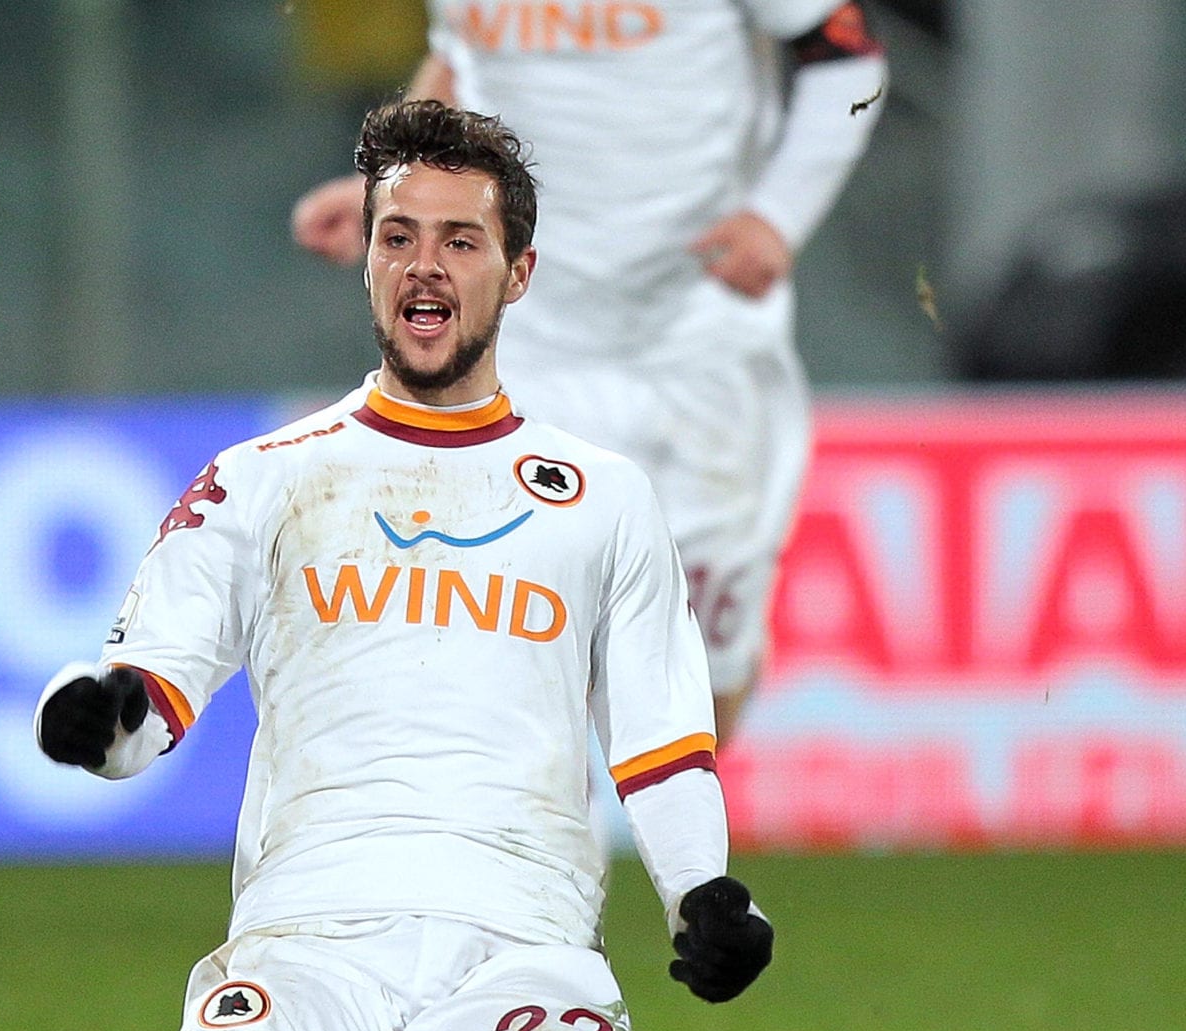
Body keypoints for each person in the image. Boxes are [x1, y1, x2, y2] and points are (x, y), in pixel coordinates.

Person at [36, 100, 774, 1031]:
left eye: (459, 240)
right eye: (397, 236)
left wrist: (701, 894)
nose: (423, 265)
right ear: (369, 258)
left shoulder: (601, 496)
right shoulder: (267, 477)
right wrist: (94, 715)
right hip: (310, 933)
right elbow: (148, 693)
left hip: (517, 936)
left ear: (517, 272)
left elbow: (658, 736)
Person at [290, 1, 889, 739]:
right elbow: (462, 58)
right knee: (498, 651)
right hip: (524, 333)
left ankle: (682, 834)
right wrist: (389, 189)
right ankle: (535, 848)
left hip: (696, 340)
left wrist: (779, 215)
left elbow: (847, 55)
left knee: (702, 675)